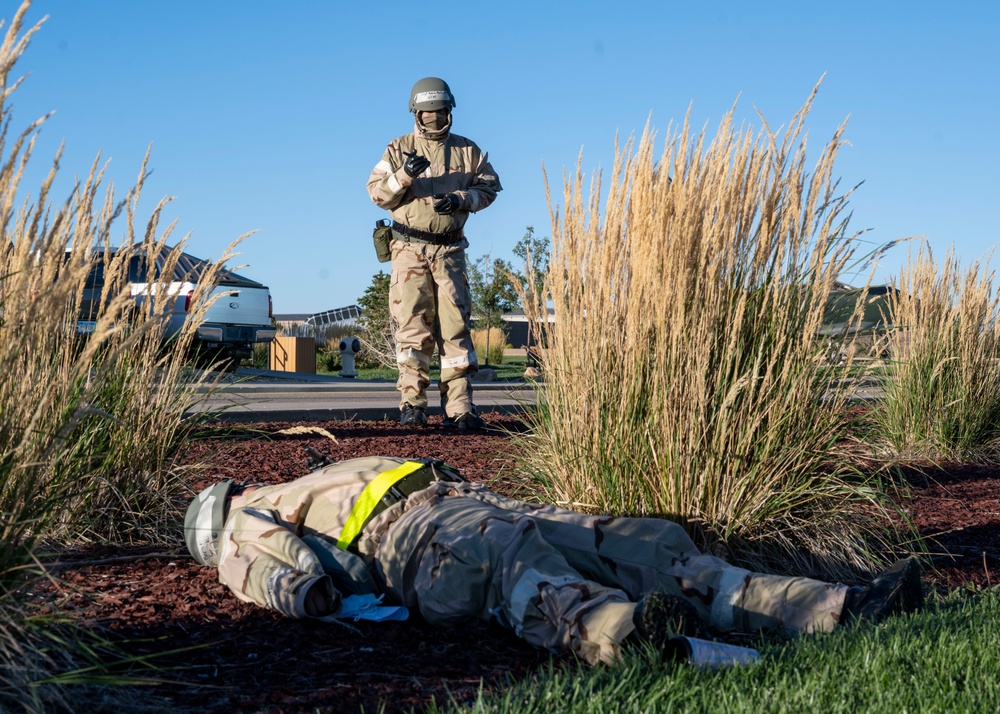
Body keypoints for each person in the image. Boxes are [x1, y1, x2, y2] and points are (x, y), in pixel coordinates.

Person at [185, 456, 924, 665]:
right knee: (520, 568)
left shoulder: (284, 490)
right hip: (422, 541)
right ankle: (630, 638)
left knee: (645, 544)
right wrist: (312, 595)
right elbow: (278, 578)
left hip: (467, 505)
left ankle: (832, 607)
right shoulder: (244, 531)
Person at [366, 78, 502, 430]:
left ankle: (460, 408)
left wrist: (461, 200)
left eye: (440, 111)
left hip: (451, 249)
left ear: (450, 112)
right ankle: (412, 404)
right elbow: (377, 194)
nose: (434, 119)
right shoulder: (398, 148)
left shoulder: (468, 151)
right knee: (412, 329)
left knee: (456, 329)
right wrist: (403, 177)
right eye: (427, 113)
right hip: (409, 250)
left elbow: (489, 188)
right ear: (416, 113)